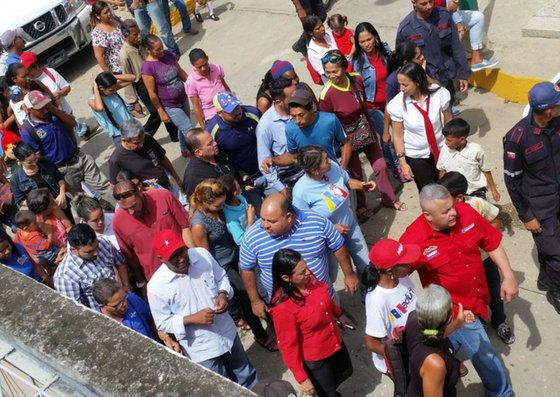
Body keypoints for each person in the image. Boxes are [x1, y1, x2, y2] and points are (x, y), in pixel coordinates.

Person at [400, 184, 517, 397]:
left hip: (479, 296)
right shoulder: (413, 239)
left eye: (452, 206)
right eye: (445, 211)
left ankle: (447, 354)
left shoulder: (465, 212)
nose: (454, 212)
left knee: (447, 341)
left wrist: (508, 275)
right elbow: (398, 273)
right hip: (457, 310)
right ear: (428, 215)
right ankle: (501, 392)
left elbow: (491, 243)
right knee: (485, 354)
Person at [148, 229, 258, 387]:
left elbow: (221, 277)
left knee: (246, 375)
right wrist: (192, 319)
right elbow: (162, 323)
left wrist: (223, 294)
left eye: (182, 252)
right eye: (174, 257)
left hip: (227, 333)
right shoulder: (156, 287)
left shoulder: (202, 255)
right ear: (161, 259)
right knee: (221, 387)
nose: (181, 259)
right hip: (202, 349)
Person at [190, 179, 278, 351]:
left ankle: (272, 320)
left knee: (259, 289)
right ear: (205, 202)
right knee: (246, 298)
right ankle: (261, 336)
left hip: (238, 255)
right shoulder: (199, 225)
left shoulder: (218, 208)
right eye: (218, 206)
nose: (223, 208)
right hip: (224, 266)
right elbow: (206, 257)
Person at [239, 193, 359, 319]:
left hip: (323, 298)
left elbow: (338, 245)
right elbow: (246, 269)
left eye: (271, 221)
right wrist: (255, 301)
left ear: (289, 217)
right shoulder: (252, 237)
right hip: (286, 309)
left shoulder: (316, 221)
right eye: (262, 219)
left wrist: (349, 275)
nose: (264, 225)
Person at [319, 50, 406, 218]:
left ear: (343, 68)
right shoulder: (326, 95)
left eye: (335, 71)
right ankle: (361, 205)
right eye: (327, 72)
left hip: (366, 130)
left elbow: (363, 104)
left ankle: (389, 199)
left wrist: (373, 130)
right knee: (356, 174)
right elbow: (327, 123)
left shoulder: (356, 79)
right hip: (347, 140)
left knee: (380, 166)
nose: (332, 76)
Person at [437, 172, 515, 344]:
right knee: (471, 295)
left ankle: (499, 321)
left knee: (494, 291)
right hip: (463, 264)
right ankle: (479, 321)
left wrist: (479, 232)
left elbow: (498, 222)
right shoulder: (442, 213)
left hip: (485, 259)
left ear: (458, 197)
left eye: (445, 196)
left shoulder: (477, 204)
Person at [503, 81, 560, 314]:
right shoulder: (517, 138)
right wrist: (526, 216)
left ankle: (545, 280)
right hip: (539, 208)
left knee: (551, 250)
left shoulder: (556, 124)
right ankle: (555, 290)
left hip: (558, 200)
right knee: (557, 256)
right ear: (548, 110)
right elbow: (512, 181)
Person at [269, 249, 354, 397]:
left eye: (306, 267)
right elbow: (288, 345)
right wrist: (302, 378)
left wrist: (338, 313)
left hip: (333, 342)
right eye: (301, 272)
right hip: (315, 358)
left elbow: (324, 297)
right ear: (286, 277)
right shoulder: (283, 307)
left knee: (343, 373)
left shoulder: (308, 278)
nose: (308, 272)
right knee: (326, 393)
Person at [292, 145, 376, 285]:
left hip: (350, 226)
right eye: (325, 160)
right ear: (314, 170)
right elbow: (302, 226)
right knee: (329, 277)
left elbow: (347, 182)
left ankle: (367, 297)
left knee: (366, 265)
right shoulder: (301, 193)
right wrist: (331, 229)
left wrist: (362, 185)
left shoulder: (334, 168)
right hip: (326, 241)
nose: (330, 160)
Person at [20, 91, 114, 208]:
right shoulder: (28, 131)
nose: (45, 110)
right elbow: (39, 161)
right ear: (29, 109)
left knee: (105, 187)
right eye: (40, 109)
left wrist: (56, 110)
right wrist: (58, 179)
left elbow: (73, 123)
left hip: (80, 158)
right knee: (81, 201)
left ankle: (123, 212)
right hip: (64, 171)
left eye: (46, 106)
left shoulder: (52, 114)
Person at [112, 179, 194, 289]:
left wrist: (196, 255)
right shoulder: (118, 221)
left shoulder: (164, 197)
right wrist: (142, 284)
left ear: (140, 191)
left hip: (185, 266)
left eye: (133, 206)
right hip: (159, 280)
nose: (131, 212)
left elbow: (185, 227)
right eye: (126, 209)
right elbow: (131, 257)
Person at [350, 22, 403, 181]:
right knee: (391, 136)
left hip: (390, 102)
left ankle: (389, 160)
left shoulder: (385, 50)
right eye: (362, 42)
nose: (367, 44)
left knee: (386, 136)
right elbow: (353, 85)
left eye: (369, 39)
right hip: (372, 106)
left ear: (375, 37)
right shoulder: (356, 61)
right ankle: (397, 166)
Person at [387, 62, 452, 192]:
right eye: (400, 84)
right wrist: (403, 163)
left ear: (417, 81)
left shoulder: (439, 93)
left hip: (442, 149)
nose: (401, 88)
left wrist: (451, 143)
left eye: (405, 84)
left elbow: (448, 119)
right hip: (417, 155)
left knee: (449, 189)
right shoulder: (397, 104)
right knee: (429, 193)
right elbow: (398, 135)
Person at [396, 0, 472, 105]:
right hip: (424, 84)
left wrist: (463, 73)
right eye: (423, 4)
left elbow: (456, 46)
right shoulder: (406, 29)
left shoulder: (444, 16)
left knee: (448, 111)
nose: (429, 6)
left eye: (431, 1)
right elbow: (401, 61)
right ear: (413, 2)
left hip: (446, 76)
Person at [205, 92, 271, 213]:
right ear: (219, 113)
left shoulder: (253, 114)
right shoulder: (212, 131)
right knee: (259, 215)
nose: (237, 112)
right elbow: (217, 160)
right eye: (231, 111)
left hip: (269, 172)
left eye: (237, 107)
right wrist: (238, 179)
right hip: (247, 183)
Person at [363, 238, 420, 374]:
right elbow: (372, 343)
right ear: (390, 271)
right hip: (400, 363)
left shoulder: (402, 277)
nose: (410, 264)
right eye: (405, 263)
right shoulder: (377, 300)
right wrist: (402, 355)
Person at [406, 284, 475, 397]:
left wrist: (457, 323)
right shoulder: (435, 364)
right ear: (448, 317)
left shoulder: (414, 319)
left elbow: (432, 333)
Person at [118, 19, 179, 138]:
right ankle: (141, 136)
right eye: (135, 34)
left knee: (164, 106)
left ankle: (174, 134)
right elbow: (127, 80)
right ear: (126, 36)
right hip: (142, 86)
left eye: (138, 32)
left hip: (155, 80)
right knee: (156, 112)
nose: (138, 36)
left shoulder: (142, 44)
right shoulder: (124, 55)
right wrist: (134, 102)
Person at [93, 278, 182, 353]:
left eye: (124, 298)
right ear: (103, 306)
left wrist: (166, 338)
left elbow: (151, 321)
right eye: (118, 305)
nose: (125, 304)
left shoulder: (132, 299)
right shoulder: (99, 325)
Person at [54, 224, 130, 309]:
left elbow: (120, 262)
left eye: (96, 246)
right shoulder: (65, 276)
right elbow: (75, 310)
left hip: (124, 301)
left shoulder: (103, 243)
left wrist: (125, 285)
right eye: (89, 252)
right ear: (74, 249)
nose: (96, 252)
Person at [19, 51, 90, 140]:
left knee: (70, 132)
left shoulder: (50, 73)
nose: (28, 75)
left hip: (64, 111)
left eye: (29, 71)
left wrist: (60, 93)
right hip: (50, 118)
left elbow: (66, 87)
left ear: (36, 66)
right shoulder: (29, 83)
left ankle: (83, 130)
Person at [142, 34, 193, 155]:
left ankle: (184, 149)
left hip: (183, 98)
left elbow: (180, 72)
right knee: (190, 131)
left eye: (161, 47)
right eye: (157, 49)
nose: (161, 51)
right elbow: (152, 93)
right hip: (170, 105)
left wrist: (194, 85)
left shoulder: (168, 54)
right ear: (148, 50)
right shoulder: (147, 68)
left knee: (182, 127)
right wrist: (161, 111)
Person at [282, 89, 351, 171]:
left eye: (301, 115)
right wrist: (273, 160)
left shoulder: (330, 120)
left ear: (311, 108)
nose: (297, 121)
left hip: (336, 171)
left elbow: (346, 143)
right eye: (293, 116)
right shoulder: (290, 129)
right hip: (314, 178)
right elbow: (293, 155)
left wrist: (342, 169)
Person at [257, 77, 304, 196]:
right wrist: (282, 189)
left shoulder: (302, 109)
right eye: (291, 98)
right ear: (279, 102)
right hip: (291, 182)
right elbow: (264, 163)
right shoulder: (266, 125)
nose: (296, 99)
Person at [109, 119, 183, 191]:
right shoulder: (116, 160)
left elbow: (162, 158)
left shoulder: (147, 137)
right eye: (136, 143)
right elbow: (114, 187)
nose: (141, 144)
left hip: (168, 185)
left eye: (142, 140)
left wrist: (176, 179)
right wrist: (144, 188)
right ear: (124, 140)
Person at [437, 118, 500, 201]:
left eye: (449, 140)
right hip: (456, 193)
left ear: (462, 139)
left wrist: (493, 189)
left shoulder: (476, 150)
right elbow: (442, 170)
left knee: (478, 212)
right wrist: (441, 189)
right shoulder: (445, 150)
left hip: (476, 191)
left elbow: (486, 169)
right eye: (445, 139)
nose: (446, 142)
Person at [10, 141, 74, 221]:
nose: (34, 163)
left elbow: (59, 177)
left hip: (60, 204)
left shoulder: (45, 161)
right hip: (44, 214)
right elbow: (20, 200)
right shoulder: (15, 179)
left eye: (35, 159)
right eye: (30, 163)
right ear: (19, 161)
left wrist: (62, 194)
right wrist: (42, 202)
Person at [182, 128, 246, 198]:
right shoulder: (193, 178)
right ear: (198, 152)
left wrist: (243, 176)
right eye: (210, 144)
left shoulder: (217, 152)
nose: (215, 143)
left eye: (212, 140)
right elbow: (197, 204)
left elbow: (232, 165)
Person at [445, 0, 499, 72]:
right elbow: (449, 8)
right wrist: (458, 23)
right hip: (436, 20)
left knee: (478, 18)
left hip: (448, 14)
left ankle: (476, 60)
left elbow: (451, 8)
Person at [185, 48, 231, 129]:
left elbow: (225, 86)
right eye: (199, 67)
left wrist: (233, 102)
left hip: (227, 108)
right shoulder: (191, 82)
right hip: (212, 116)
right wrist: (204, 127)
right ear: (193, 65)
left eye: (205, 64)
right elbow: (197, 106)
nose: (203, 68)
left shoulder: (217, 68)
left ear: (207, 58)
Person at [88, 72, 135, 145]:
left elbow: (132, 78)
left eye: (115, 88)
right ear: (101, 88)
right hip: (119, 135)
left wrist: (112, 77)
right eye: (111, 90)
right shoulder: (92, 101)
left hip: (132, 126)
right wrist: (95, 89)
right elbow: (100, 107)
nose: (114, 91)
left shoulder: (112, 90)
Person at [220, 174, 256, 246]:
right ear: (235, 194)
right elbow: (240, 241)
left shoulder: (240, 198)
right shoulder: (230, 219)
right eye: (237, 184)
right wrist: (250, 220)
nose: (239, 184)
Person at [91, 1, 125, 73]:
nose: (109, 13)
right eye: (105, 13)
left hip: (131, 60)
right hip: (119, 69)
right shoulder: (98, 33)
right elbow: (99, 55)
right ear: (98, 16)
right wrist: (109, 73)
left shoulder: (116, 19)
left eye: (109, 10)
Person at [304, 15, 338, 84]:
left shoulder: (329, 35)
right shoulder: (313, 51)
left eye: (322, 25)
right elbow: (324, 73)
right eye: (318, 28)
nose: (322, 28)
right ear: (311, 33)